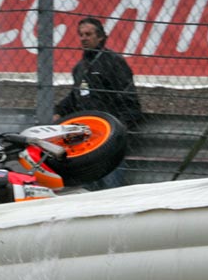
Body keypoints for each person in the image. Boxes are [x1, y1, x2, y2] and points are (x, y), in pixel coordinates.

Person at [53, 18, 144, 190]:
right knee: (87, 185)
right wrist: (59, 111)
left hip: (109, 136)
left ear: (101, 37)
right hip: (86, 137)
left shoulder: (114, 62)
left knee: (111, 186)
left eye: (88, 34)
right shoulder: (80, 67)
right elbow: (76, 95)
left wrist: (119, 129)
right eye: (81, 35)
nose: (83, 38)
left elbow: (129, 100)